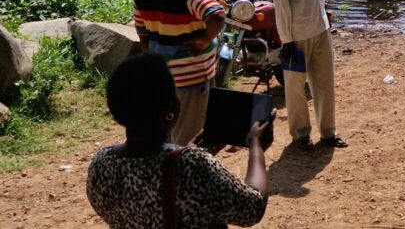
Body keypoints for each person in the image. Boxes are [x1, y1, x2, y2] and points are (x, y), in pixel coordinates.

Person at [87, 54, 271, 229]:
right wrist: (256, 146)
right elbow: (252, 208)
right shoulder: (191, 165)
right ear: (169, 110)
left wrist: (183, 154)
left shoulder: (101, 163)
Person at [133, 0, 226, 145]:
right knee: (188, 140)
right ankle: (181, 177)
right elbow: (217, 17)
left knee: (163, 135)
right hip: (192, 78)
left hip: (162, 80)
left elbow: (143, 35)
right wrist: (204, 40)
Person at [270, 0, 347, 150]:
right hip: (297, 33)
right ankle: (301, 135)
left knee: (324, 81)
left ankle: (328, 132)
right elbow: (280, 1)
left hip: (320, 26)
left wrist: (324, 11)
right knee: (295, 87)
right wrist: (287, 41)